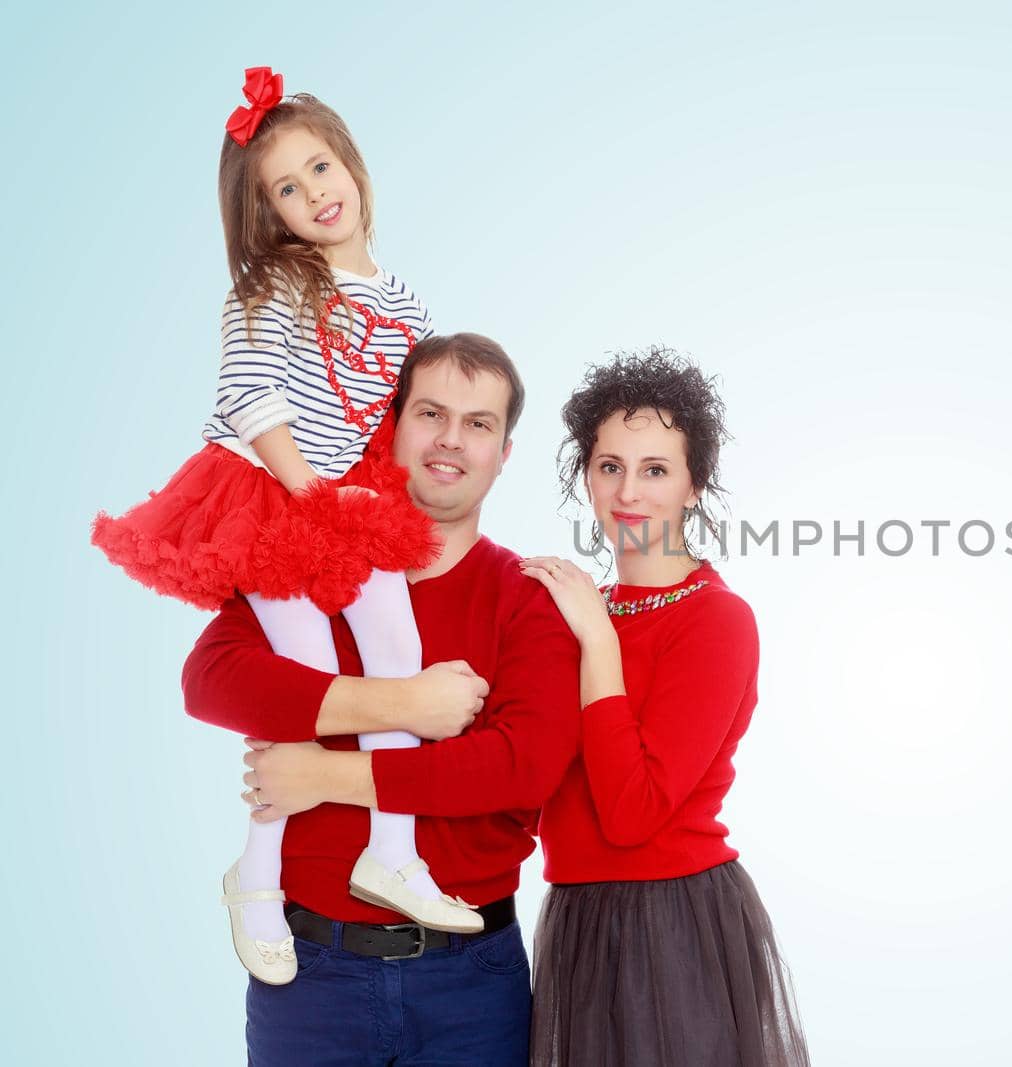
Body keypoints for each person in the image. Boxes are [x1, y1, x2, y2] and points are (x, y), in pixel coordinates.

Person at [91, 66, 477, 983]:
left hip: (348, 496)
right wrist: (311, 491)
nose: (315, 194)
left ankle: (392, 849)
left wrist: (393, 499)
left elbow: (403, 414)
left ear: (352, 162)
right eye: (287, 189)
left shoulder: (408, 303)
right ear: (268, 214)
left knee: (396, 645)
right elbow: (251, 395)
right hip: (270, 489)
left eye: (321, 167)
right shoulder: (272, 284)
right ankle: (256, 876)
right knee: (304, 678)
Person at [182, 334, 578, 1066]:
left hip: (473, 980)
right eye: (430, 413)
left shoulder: (529, 598)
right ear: (392, 425)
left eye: (479, 422)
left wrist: (326, 774)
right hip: (310, 975)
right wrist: (405, 703)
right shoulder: (314, 562)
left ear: (504, 452)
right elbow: (211, 679)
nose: (451, 440)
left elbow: (520, 768)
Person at [520, 348, 809, 1066]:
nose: (629, 491)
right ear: (584, 476)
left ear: (693, 484)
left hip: (674, 924)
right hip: (579, 918)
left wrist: (595, 638)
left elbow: (633, 810)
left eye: (655, 469)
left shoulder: (716, 620)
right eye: (609, 465)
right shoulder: (583, 611)